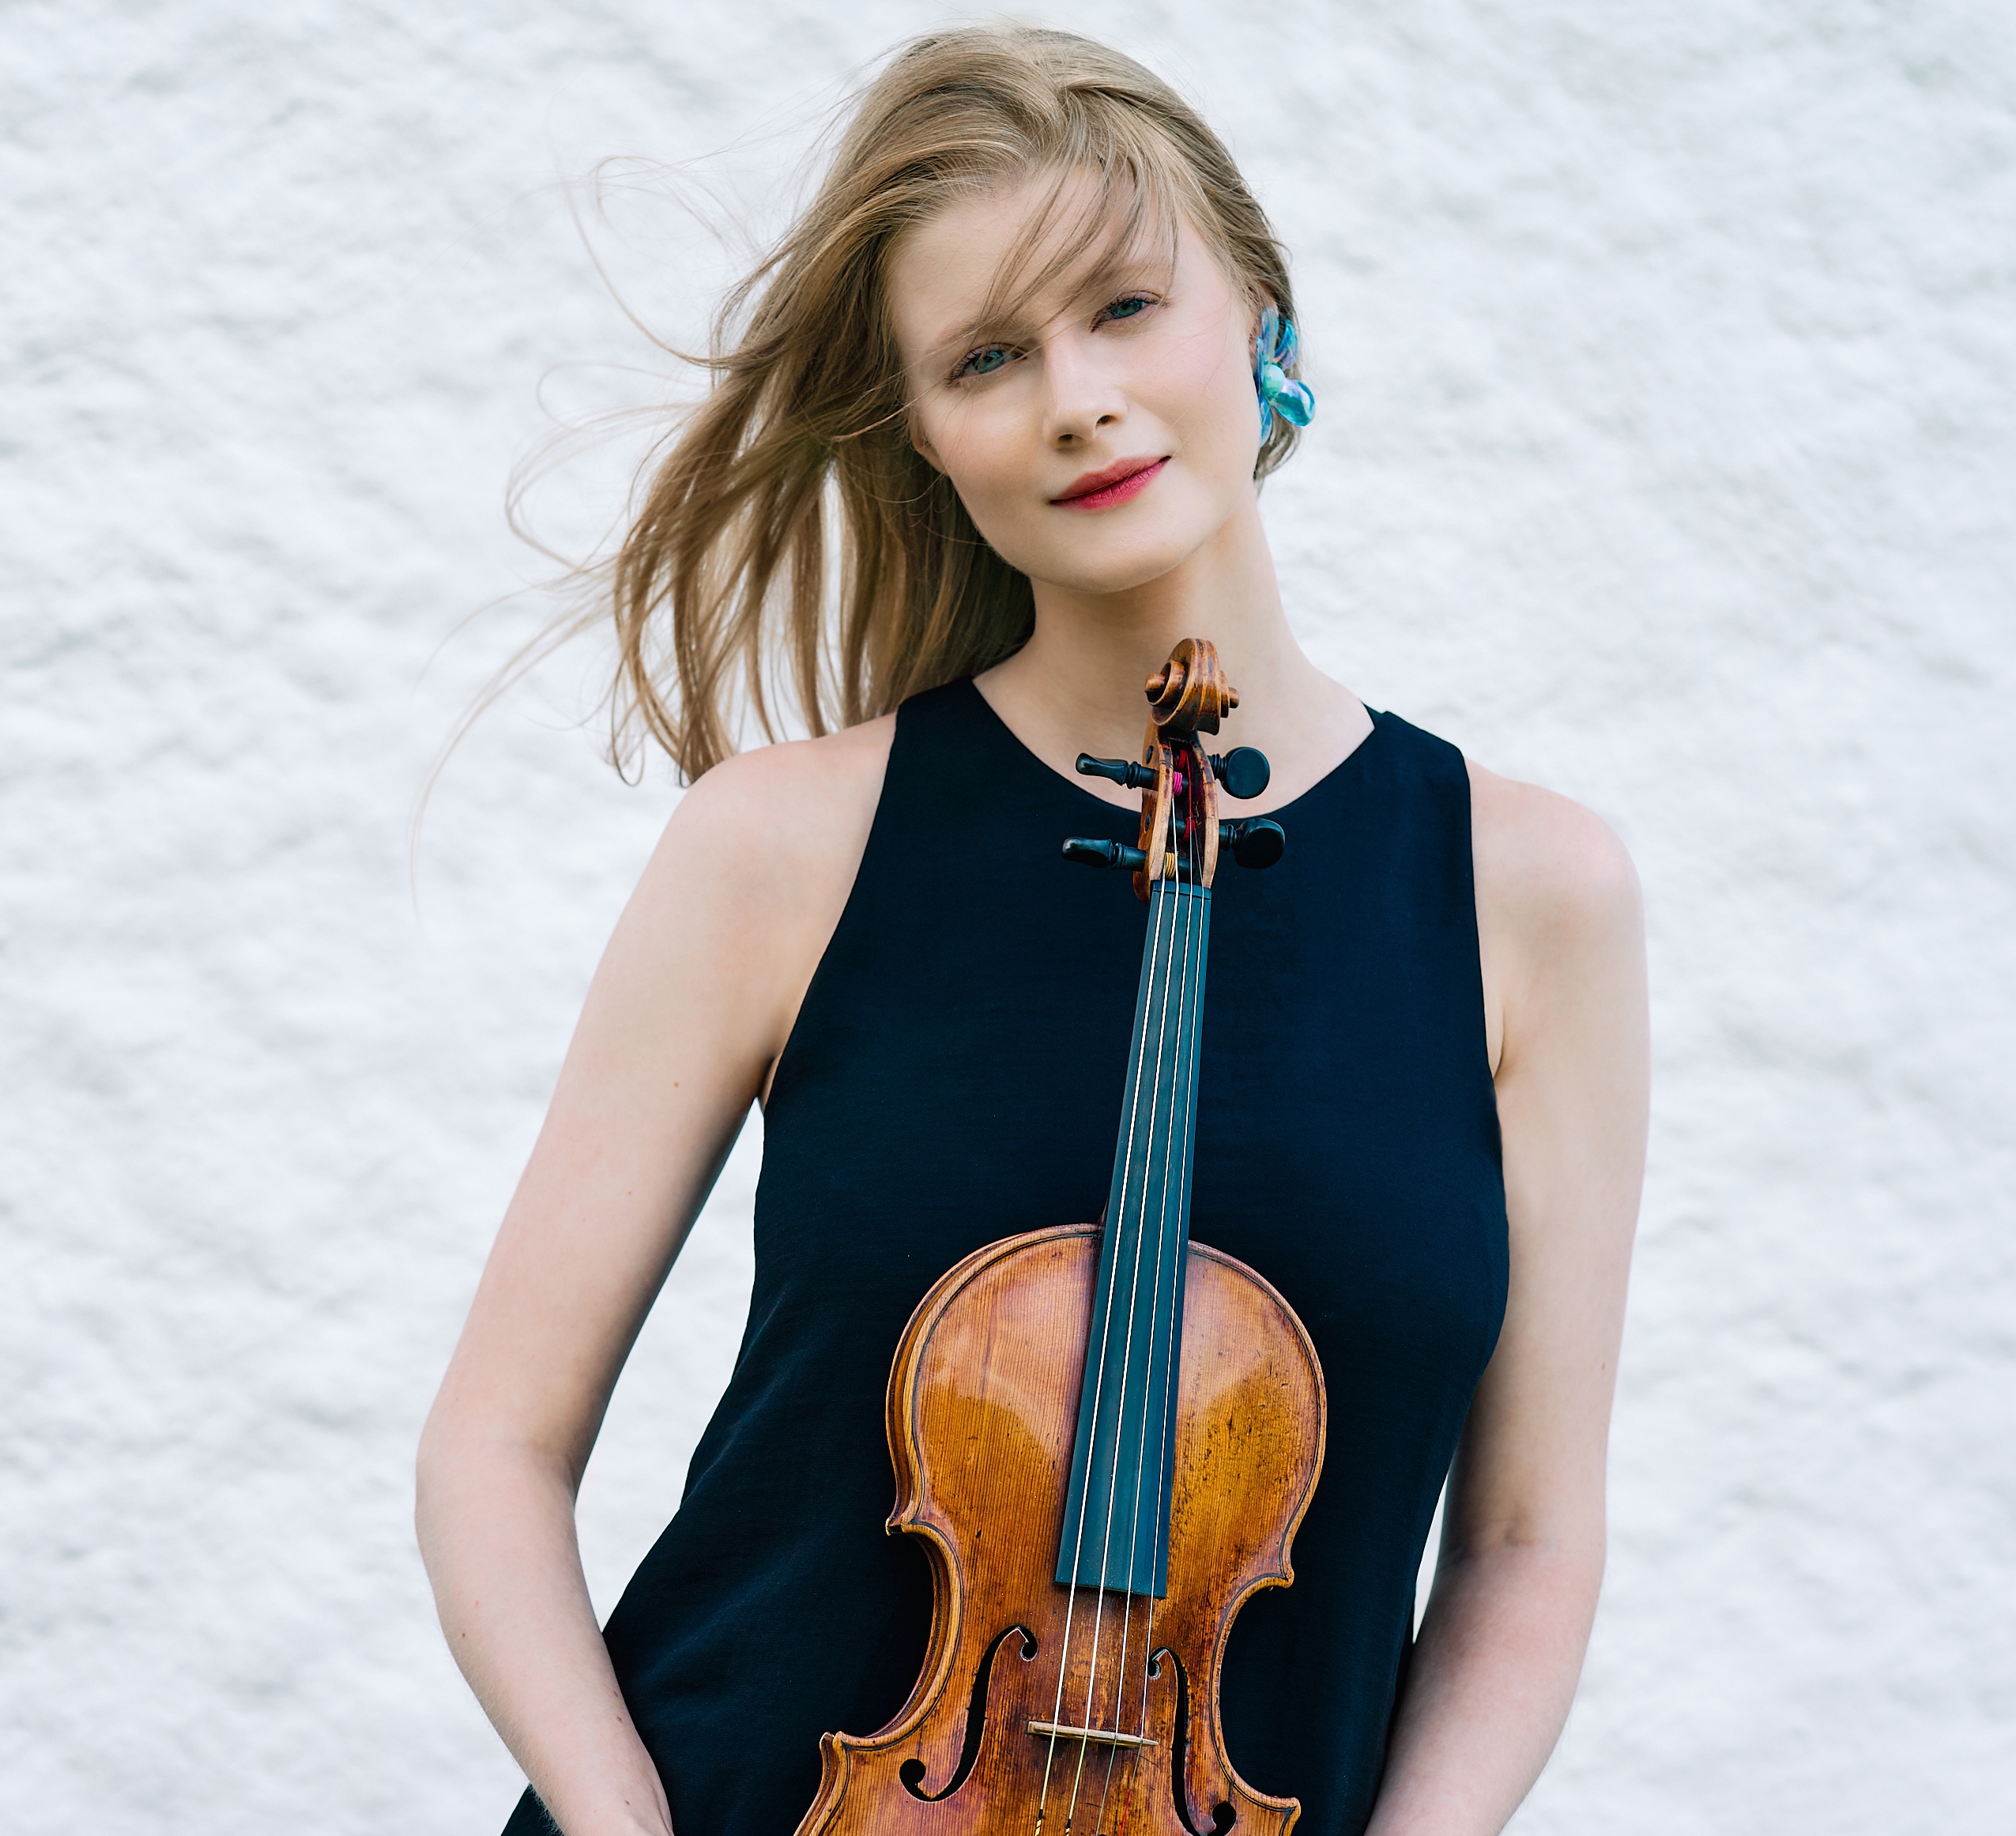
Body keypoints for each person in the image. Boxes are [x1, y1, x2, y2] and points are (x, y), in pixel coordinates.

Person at [413, 27, 1647, 1836]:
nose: (1075, 395)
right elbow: (491, 1453)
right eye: (988, 356)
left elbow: (1526, 1541)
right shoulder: (784, 843)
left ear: (1265, 326)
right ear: (925, 431)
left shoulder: (1529, 896)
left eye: (1127, 306)